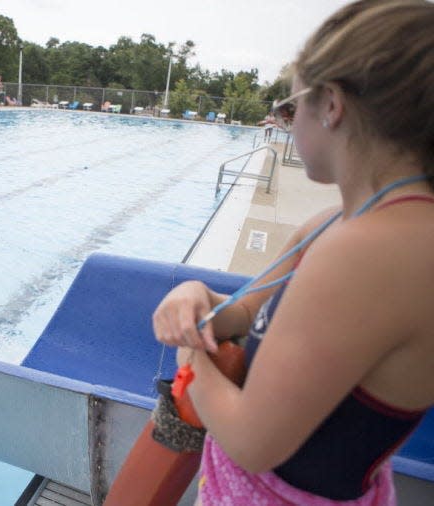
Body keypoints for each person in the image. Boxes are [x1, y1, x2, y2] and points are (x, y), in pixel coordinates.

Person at [152, 1, 433, 504]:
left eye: (289, 107)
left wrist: (191, 354)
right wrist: (199, 298)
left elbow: (252, 441)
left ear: (330, 103)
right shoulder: (331, 226)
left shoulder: (368, 253)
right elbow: (246, 313)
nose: (286, 122)